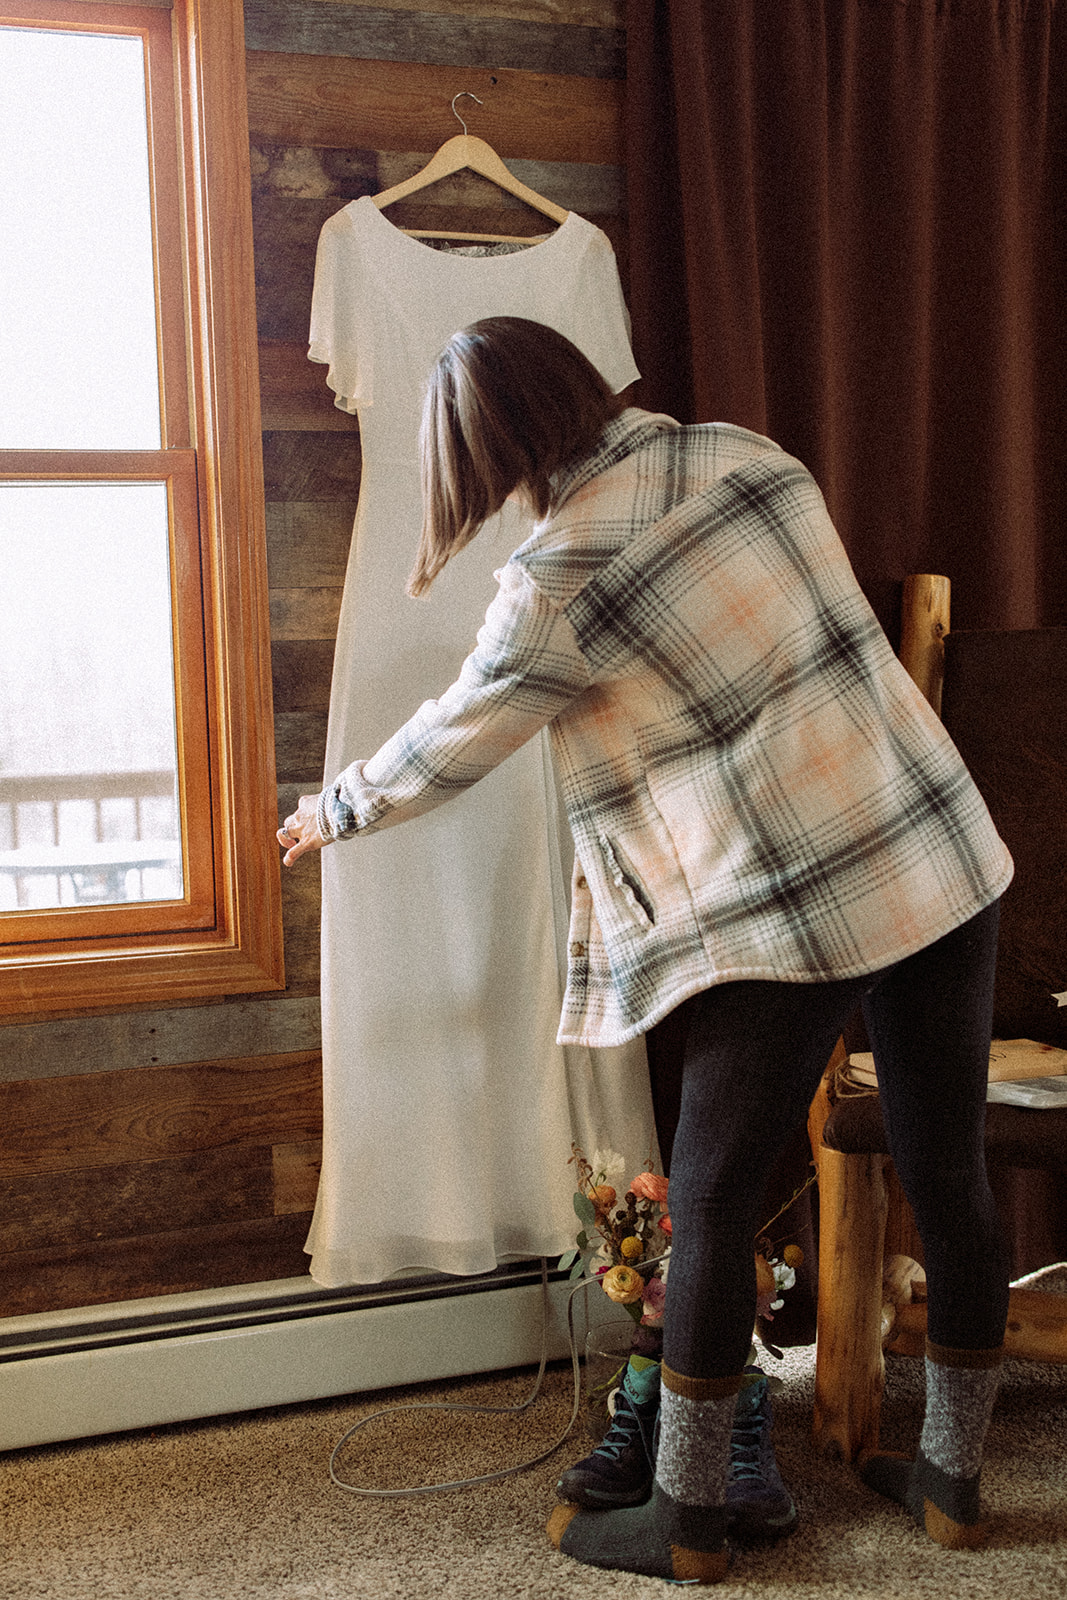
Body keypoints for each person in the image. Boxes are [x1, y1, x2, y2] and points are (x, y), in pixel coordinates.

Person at [278, 316, 1013, 1585]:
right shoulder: (750, 458)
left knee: (714, 1203)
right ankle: (950, 1478)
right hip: (935, 846)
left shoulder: (557, 577)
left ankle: (684, 1516)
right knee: (945, 1169)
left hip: (783, 908)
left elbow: (457, 734)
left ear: (484, 448)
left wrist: (332, 808)